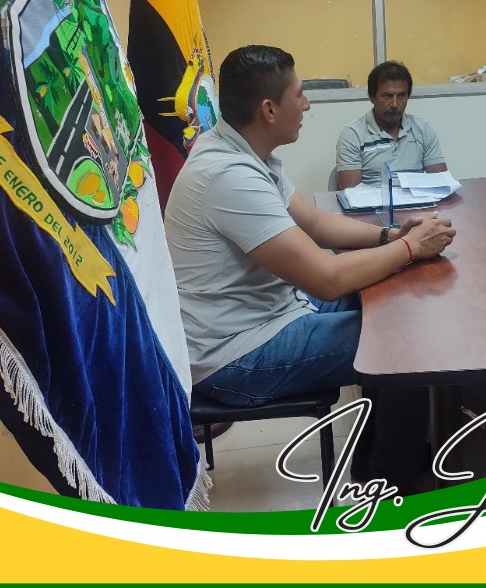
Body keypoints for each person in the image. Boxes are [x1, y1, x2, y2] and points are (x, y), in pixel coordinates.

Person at [164, 45, 456, 493]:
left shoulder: (244, 152)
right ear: (269, 109)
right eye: (299, 94)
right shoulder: (228, 175)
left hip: (272, 313)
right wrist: (412, 249)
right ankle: (394, 483)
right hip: (237, 354)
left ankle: (378, 458)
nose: (307, 104)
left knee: (393, 299)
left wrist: (391, 236)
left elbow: (317, 224)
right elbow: (326, 278)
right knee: (402, 343)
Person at [336, 61, 448, 189]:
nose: (395, 104)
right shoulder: (352, 135)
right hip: (375, 201)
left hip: (417, 200)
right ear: (372, 97)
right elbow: (351, 193)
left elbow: (441, 185)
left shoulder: (423, 129)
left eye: (401, 96)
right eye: (387, 96)